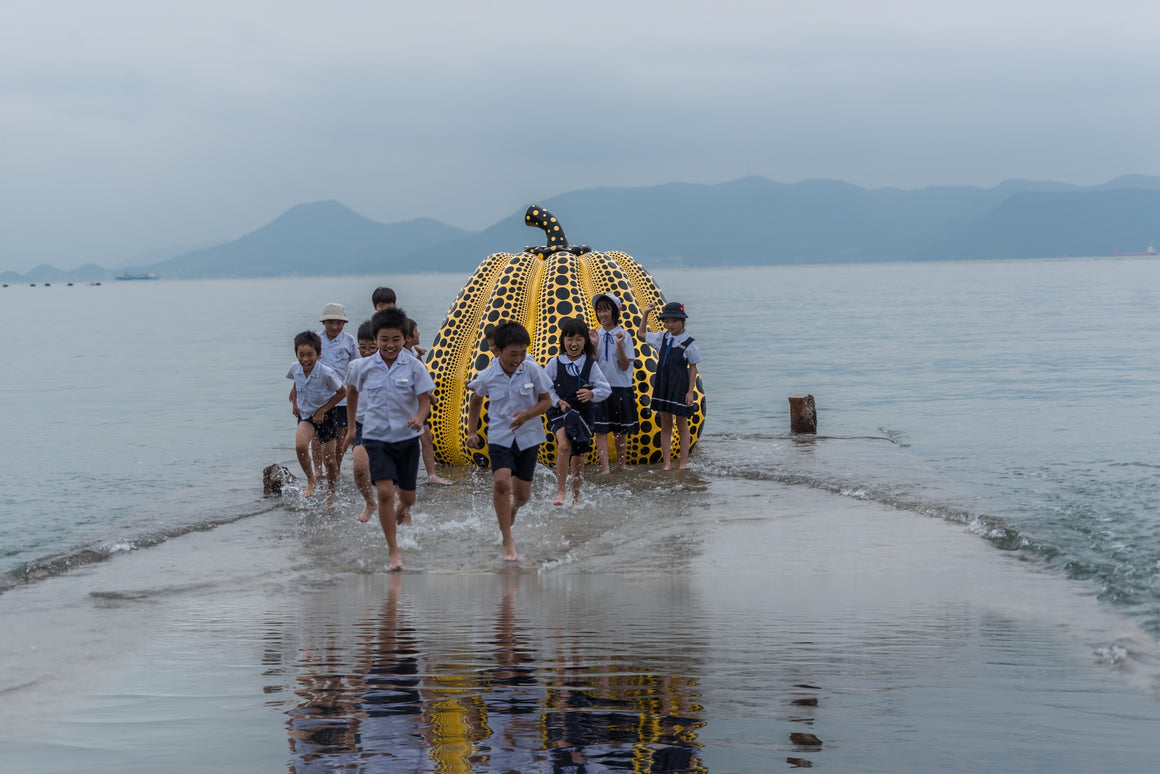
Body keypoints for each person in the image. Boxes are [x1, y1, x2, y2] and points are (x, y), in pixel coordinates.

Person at [344, 308, 435, 571]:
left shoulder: (415, 367)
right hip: (375, 437)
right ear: (376, 338)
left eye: (396, 339)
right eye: (384, 339)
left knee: (407, 498)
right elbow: (351, 393)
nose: (390, 345)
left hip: (407, 439)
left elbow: (424, 400)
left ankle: (398, 513)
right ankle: (394, 552)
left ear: (405, 339)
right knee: (384, 492)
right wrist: (351, 427)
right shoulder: (361, 367)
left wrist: (419, 417)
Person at [466, 320, 552, 561]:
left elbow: (546, 401)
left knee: (523, 496)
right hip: (500, 436)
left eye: (523, 352)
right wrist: (472, 432)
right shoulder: (487, 375)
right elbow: (475, 400)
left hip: (529, 436)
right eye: (513, 353)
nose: (519, 358)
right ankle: (507, 539)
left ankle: (512, 508)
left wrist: (526, 415)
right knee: (502, 484)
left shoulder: (532, 369)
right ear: (498, 350)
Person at [544, 316, 611, 505]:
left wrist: (591, 394)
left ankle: (575, 497)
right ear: (563, 340)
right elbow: (545, 386)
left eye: (579, 339)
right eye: (569, 339)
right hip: (560, 412)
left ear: (585, 341)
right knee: (564, 445)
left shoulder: (591, 365)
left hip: (583, 414)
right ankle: (561, 491)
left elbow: (606, 389)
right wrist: (558, 402)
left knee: (579, 458)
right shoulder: (555, 363)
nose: (573, 343)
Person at [638, 301, 702, 470]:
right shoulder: (662, 337)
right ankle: (666, 463)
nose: (670, 324)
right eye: (666, 321)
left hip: (680, 386)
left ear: (683, 322)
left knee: (682, 424)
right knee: (665, 423)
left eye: (674, 320)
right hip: (663, 384)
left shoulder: (689, 343)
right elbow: (642, 333)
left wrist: (690, 392)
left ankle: (683, 463)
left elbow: (693, 368)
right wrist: (645, 314)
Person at [287, 331, 346, 502]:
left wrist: (323, 410)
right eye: (301, 355)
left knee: (330, 461)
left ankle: (331, 492)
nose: (305, 359)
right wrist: (295, 402)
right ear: (296, 354)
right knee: (300, 446)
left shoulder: (327, 373)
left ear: (319, 354)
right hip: (306, 415)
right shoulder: (294, 368)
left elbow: (342, 392)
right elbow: (296, 382)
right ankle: (311, 480)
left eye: (310, 355)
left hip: (326, 415)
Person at [589, 293, 639, 473]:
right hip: (601, 387)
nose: (602, 314)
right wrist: (594, 344)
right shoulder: (595, 334)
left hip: (621, 386)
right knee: (600, 430)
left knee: (620, 430)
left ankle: (621, 464)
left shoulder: (624, 335)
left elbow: (625, 366)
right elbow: (592, 363)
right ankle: (604, 467)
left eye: (606, 310)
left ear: (614, 312)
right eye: (599, 310)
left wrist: (619, 345)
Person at [405, 317, 451, 486]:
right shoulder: (403, 356)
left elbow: (421, 374)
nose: (419, 333)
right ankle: (407, 476)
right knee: (413, 440)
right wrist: (429, 396)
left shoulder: (412, 353)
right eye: (416, 331)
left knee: (426, 438)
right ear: (408, 338)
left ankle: (431, 475)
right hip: (410, 405)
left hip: (418, 405)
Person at [347, 321, 378, 523]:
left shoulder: (390, 365)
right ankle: (370, 502)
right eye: (362, 347)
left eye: (372, 347)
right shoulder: (355, 366)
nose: (366, 352)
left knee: (391, 477)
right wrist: (350, 428)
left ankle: (402, 507)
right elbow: (351, 394)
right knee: (359, 468)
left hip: (386, 425)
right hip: (361, 424)